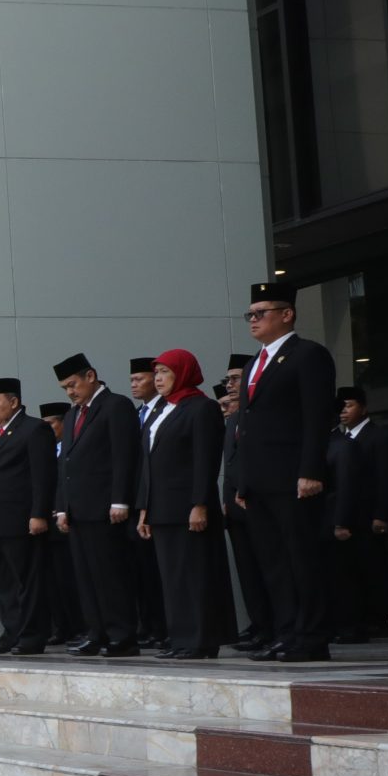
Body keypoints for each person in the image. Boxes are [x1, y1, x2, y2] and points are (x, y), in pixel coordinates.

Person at [233, 281, 338, 661]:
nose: (253, 321)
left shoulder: (307, 355)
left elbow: (316, 417)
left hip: (293, 476)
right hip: (260, 480)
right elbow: (246, 429)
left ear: (287, 314)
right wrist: (243, 481)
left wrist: (310, 470)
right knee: (273, 562)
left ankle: (311, 635)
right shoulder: (252, 364)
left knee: (300, 557)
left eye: (261, 313)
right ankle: (286, 631)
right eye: (250, 315)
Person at [136, 349, 226, 658]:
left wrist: (200, 503)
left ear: (183, 374)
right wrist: (144, 508)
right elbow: (148, 464)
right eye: (157, 373)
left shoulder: (201, 408)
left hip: (188, 506)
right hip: (161, 509)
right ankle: (181, 637)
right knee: (172, 577)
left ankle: (200, 639)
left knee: (194, 575)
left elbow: (205, 460)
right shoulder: (161, 411)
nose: (158, 379)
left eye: (165, 373)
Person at [53, 353, 141, 658]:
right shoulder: (72, 414)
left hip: (105, 508)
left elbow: (123, 457)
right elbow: (66, 463)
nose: (70, 392)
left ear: (91, 376)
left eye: (73, 384)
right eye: (65, 388)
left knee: (110, 575)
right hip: (77, 510)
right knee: (86, 576)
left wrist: (120, 500)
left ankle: (122, 634)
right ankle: (96, 631)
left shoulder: (115, 406)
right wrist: (62, 507)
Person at [0, 377, 56, 655]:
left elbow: (43, 476)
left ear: (14, 401)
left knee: (28, 581)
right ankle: (10, 633)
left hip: (21, 521)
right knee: (6, 583)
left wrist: (39, 513)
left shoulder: (35, 429)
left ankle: (32, 636)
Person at [328, 387, 388, 641]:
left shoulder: (379, 436)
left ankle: (379, 619)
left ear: (364, 408)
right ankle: (358, 617)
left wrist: (382, 515)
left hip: (369, 514)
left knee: (373, 567)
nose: (344, 411)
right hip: (347, 514)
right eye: (341, 407)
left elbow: (385, 478)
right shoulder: (340, 439)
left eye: (349, 405)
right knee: (351, 569)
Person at [217, 363, 274, 647]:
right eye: (228, 379)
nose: (229, 384)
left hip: (257, 502)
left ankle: (275, 627)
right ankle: (260, 624)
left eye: (236, 378)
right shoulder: (232, 421)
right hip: (235, 507)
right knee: (248, 572)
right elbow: (230, 465)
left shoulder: (255, 417)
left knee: (268, 568)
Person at [125, 357, 171, 648]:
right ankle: (147, 625)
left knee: (158, 569)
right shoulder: (135, 414)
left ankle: (163, 626)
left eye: (140, 379)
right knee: (139, 570)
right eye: (132, 381)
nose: (136, 385)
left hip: (156, 501)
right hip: (135, 501)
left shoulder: (165, 411)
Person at [38, 403, 83, 647]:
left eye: (51, 425)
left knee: (71, 578)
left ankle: (79, 626)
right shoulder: (45, 451)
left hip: (67, 521)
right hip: (48, 523)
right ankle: (61, 626)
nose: (47, 430)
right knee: (53, 581)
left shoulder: (69, 448)